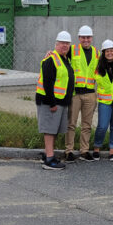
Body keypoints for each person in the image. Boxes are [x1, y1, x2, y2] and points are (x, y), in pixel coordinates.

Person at [36, 31, 76, 171]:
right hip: (51, 103)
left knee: (53, 130)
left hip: (60, 102)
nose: (65, 46)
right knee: (49, 130)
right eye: (62, 43)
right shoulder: (51, 60)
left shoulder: (64, 59)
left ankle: (49, 155)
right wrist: (52, 103)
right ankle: (49, 160)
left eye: (67, 43)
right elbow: (47, 83)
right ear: (56, 44)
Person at [65, 25, 100, 163]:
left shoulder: (97, 53)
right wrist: (50, 53)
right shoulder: (72, 50)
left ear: (91, 38)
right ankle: (69, 151)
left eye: (88, 37)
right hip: (75, 94)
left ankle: (84, 151)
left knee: (87, 125)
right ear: (79, 38)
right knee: (71, 124)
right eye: (83, 37)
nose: (86, 40)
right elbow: (59, 56)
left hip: (90, 93)